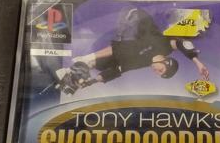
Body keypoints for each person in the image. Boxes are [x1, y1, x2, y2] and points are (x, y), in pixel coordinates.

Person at [56, 8, 209, 94]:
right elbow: (182, 44)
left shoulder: (143, 63)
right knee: (128, 51)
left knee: (107, 65)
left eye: (159, 74)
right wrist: (198, 63)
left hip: (127, 34)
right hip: (133, 16)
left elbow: (119, 70)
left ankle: (73, 75)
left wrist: (93, 81)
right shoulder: (166, 47)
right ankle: (84, 61)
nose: (157, 72)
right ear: (166, 62)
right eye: (161, 70)